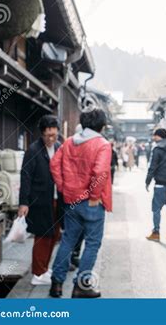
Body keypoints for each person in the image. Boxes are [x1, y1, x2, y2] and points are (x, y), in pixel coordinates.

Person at [49, 109, 112, 298]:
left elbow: (54, 164)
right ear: (101, 126)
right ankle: (80, 287)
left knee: (68, 239)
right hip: (91, 201)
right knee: (92, 243)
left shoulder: (69, 142)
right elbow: (100, 172)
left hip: (71, 199)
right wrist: (93, 196)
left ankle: (57, 284)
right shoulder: (102, 144)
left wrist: (62, 187)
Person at [18, 115, 62, 286]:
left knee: (54, 235)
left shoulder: (59, 147)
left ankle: (44, 268)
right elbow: (25, 177)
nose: (51, 139)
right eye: (48, 135)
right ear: (41, 134)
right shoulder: (33, 150)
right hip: (40, 200)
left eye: (54, 135)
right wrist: (23, 202)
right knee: (43, 235)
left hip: (57, 199)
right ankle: (37, 273)